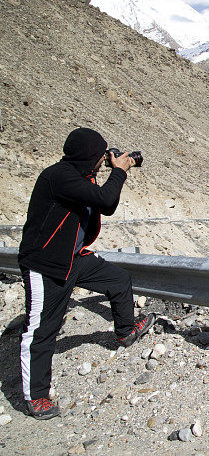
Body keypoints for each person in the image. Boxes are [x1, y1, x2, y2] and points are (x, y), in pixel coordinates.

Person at [17, 128, 155, 420]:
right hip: (47, 264)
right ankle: (36, 397)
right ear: (88, 156)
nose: (103, 159)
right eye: (100, 155)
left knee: (118, 280)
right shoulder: (59, 177)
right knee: (42, 329)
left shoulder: (80, 177)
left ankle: (125, 330)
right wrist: (119, 171)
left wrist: (111, 172)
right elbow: (105, 200)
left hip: (73, 258)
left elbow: (109, 204)